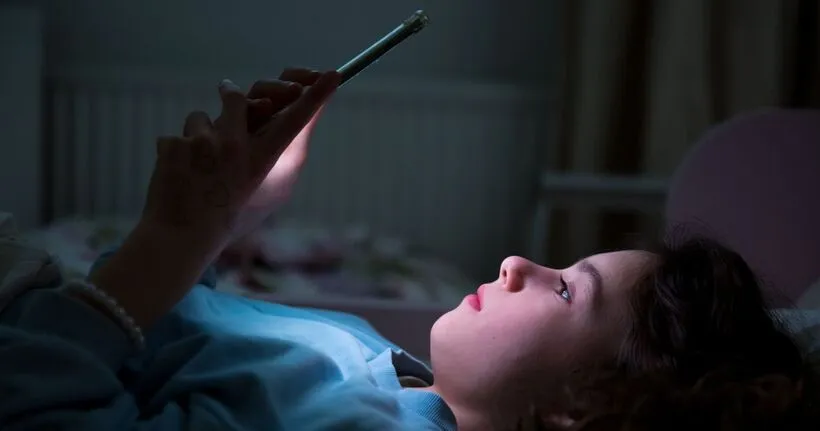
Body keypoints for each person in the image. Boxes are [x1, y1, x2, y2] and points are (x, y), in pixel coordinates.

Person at [0, 68, 817, 431]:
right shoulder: (394, 376)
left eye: (568, 291)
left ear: (581, 409)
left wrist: (163, 244)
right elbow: (179, 348)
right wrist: (241, 216)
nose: (517, 264)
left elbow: (38, 406)